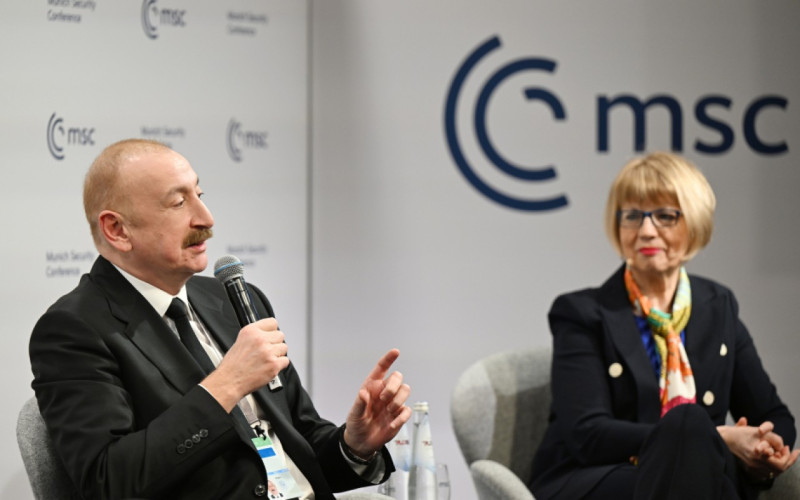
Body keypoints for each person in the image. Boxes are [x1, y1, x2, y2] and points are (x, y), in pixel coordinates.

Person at [29, 139, 412, 500]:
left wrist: (355, 446)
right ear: (117, 230)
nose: (206, 218)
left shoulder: (233, 299)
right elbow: (109, 482)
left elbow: (302, 442)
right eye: (178, 203)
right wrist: (227, 383)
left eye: (200, 195)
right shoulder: (73, 330)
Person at [529, 152, 799, 499]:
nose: (646, 231)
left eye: (664, 216)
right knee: (690, 428)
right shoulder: (582, 313)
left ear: (694, 223)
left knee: (700, 470)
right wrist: (713, 438)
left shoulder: (718, 306)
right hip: (599, 477)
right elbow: (588, 434)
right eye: (632, 216)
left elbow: (773, 415)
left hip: (697, 478)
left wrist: (763, 448)